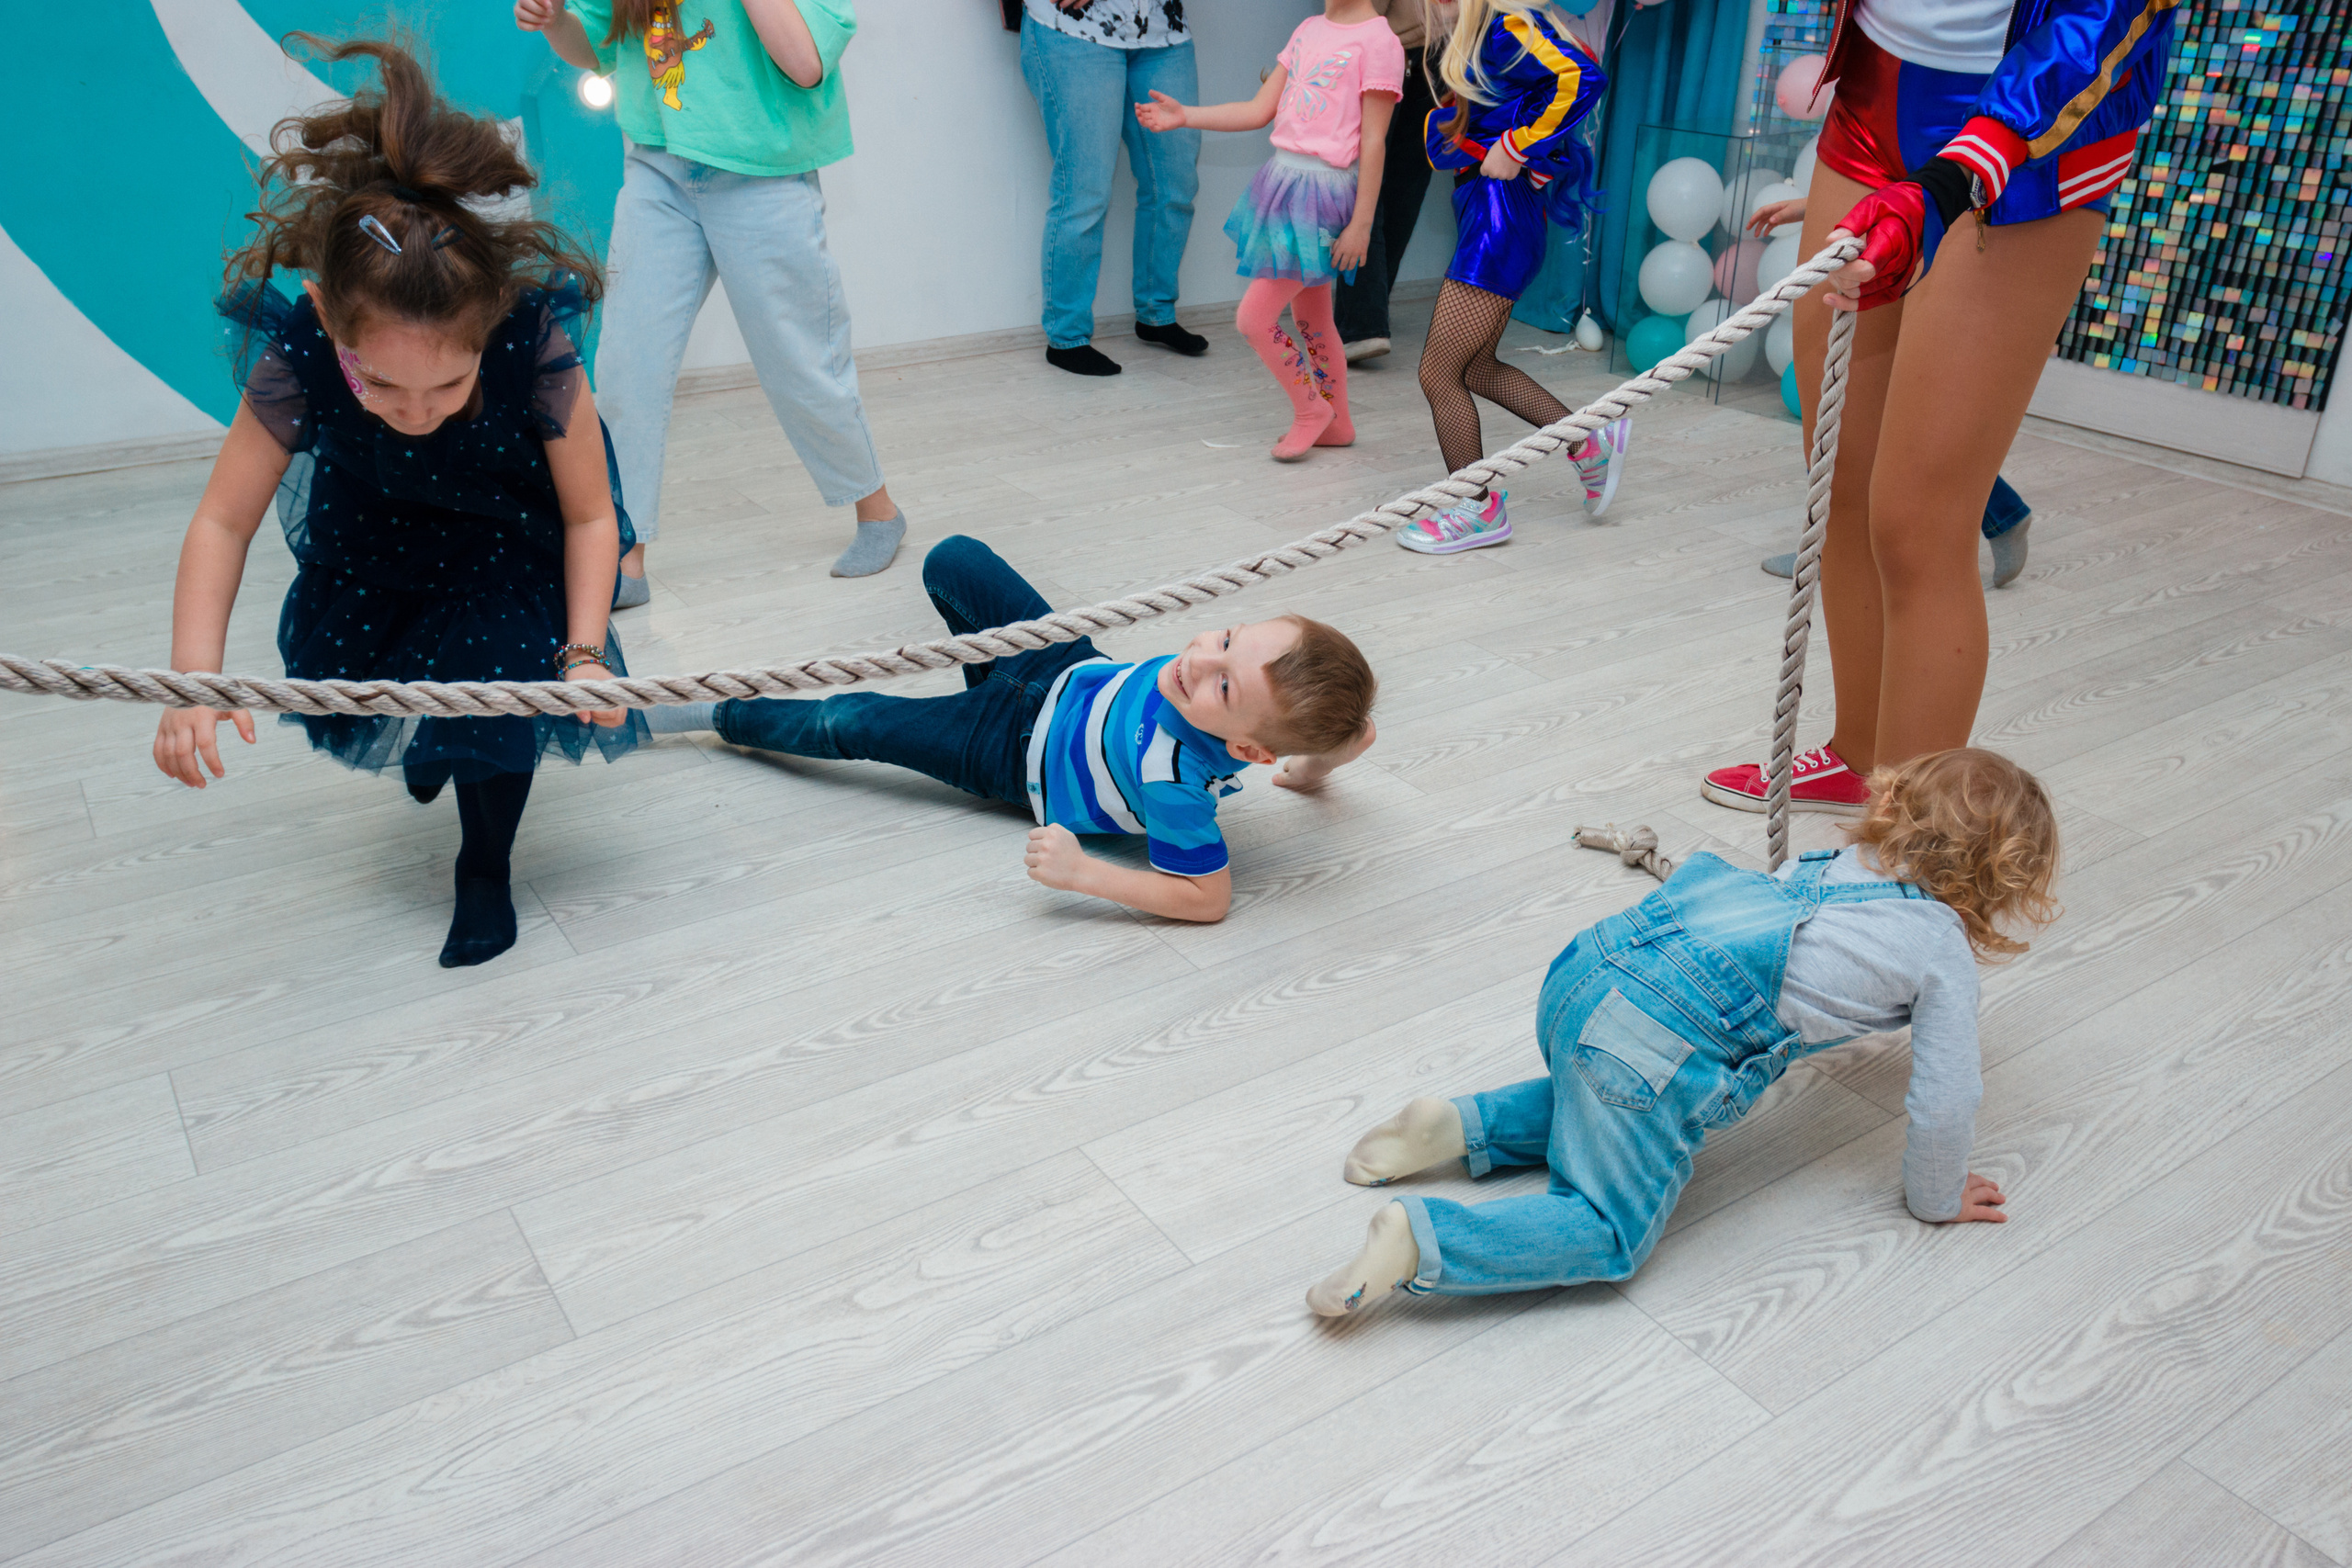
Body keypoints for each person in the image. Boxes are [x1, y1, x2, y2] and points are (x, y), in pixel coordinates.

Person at [152, 38, 641, 968]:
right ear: (328, 317)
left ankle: (485, 864)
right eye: (382, 387)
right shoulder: (300, 348)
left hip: (505, 544)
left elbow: (588, 516)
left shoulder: (533, 343)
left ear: (490, 326)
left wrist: (582, 656)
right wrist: (191, 682)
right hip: (370, 543)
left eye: (445, 390)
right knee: (400, 682)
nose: (414, 414)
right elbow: (222, 520)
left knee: (498, 695)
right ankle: (435, 747)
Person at [1307, 747, 2059, 1314]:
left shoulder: (1831, 859)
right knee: (1608, 1231)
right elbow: (1947, 1097)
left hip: (1586, 973)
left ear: (1891, 803)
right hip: (1643, 1046)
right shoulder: (1941, 950)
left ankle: (1462, 1125)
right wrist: (1937, 1195)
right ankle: (1426, 1238)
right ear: (2005, 883)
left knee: (1599, 1093)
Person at [1700, 0, 2174, 816]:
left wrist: (1959, 174)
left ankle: (1907, 845)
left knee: (1918, 520)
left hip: (2029, 127)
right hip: (1873, 98)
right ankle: (1857, 757)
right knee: (1838, 481)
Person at [644, 536, 1380, 922]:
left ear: (1249, 747)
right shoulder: (1213, 688)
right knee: (953, 560)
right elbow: (1348, 731)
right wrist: (1317, 766)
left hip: (1006, 751)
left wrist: (1084, 874)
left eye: (1223, 682)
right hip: (1067, 668)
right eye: (1225, 636)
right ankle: (978, 672)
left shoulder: (1174, 782)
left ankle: (711, 713)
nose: (1200, 656)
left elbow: (1208, 899)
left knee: (854, 718)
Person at [516, 0, 909, 586]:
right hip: (659, 169)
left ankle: (876, 509)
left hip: (765, 176)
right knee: (628, 367)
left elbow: (804, 63)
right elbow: (593, 46)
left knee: (801, 361)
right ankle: (625, 554)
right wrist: (555, 23)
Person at [1393, 0, 1630, 556]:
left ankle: (1478, 507)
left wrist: (1519, 144)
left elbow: (1582, 76)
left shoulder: (1505, 28)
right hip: (1492, 210)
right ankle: (1587, 438)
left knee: (1438, 373)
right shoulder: (1484, 36)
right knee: (1474, 367)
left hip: (1500, 215)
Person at [1136, 0, 1405, 461]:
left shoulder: (1380, 41)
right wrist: (1187, 116)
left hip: (1321, 197)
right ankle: (1338, 421)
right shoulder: (1307, 29)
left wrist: (1361, 224)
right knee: (1313, 318)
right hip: (1282, 184)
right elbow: (1260, 109)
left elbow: (1375, 141)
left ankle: (1310, 412)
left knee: (1253, 320)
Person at [1746, 197, 2033, 590]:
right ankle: (1832, 544)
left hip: (1934, 240)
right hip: (1899, 232)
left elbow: (1935, 162)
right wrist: (1814, 202)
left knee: (1894, 418)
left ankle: (2000, 514)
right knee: (1864, 415)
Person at [1018, 0, 1209, 378]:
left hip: (1161, 27)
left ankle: (1156, 314)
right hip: (1071, 28)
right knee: (1084, 189)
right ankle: (1067, 338)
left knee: (1175, 182)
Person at [1332, 0, 1438, 364]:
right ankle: (1365, 320)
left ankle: (1363, 323)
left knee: (1384, 187)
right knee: (1392, 187)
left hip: (1418, 53)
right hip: (1421, 52)